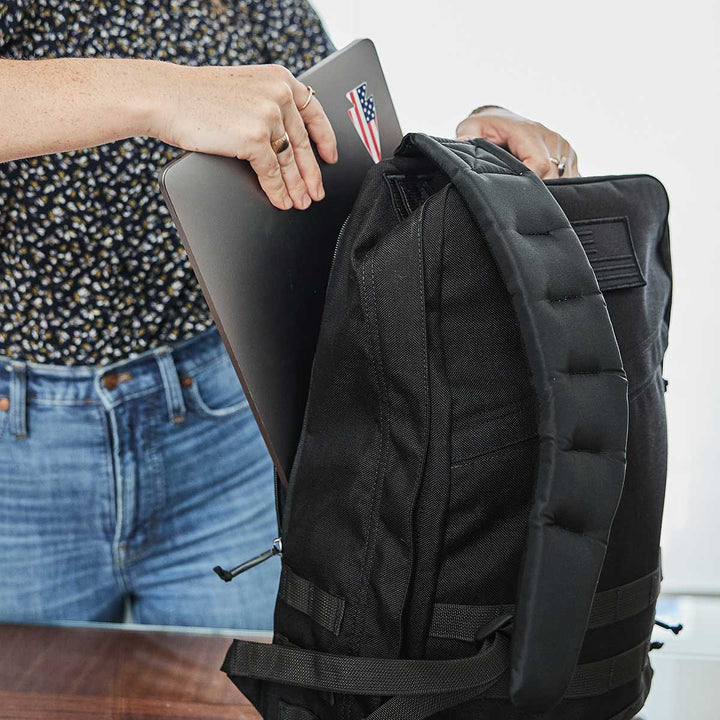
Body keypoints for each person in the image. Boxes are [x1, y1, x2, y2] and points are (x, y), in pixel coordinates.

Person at [0, 0, 579, 631]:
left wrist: (476, 148)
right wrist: (163, 92)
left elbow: (336, 174)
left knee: (232, 693)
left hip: (224, 419)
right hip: (23, 451)